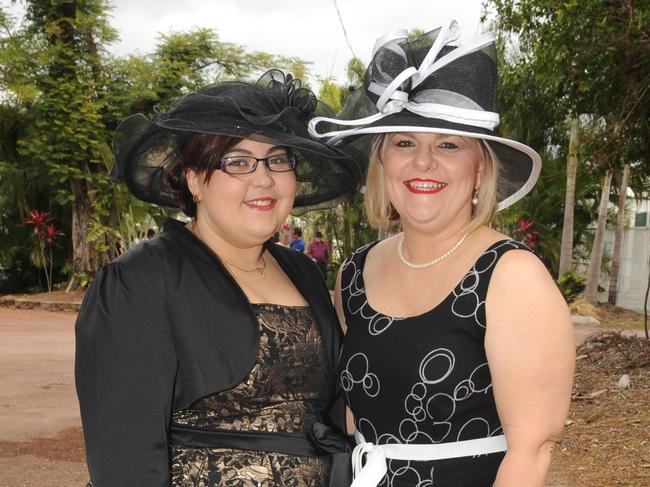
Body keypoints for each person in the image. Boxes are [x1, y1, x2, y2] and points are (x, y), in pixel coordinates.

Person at [310, 22, 575, 486]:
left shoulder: (511, 276)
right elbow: (356, 422)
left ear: (479, 170)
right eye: (404, 143)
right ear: (383, 164)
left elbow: (531, 453)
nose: (423, 162)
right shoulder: (353, 274)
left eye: (448, 145)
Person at [75, 70, 362, 487]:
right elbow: (124, 458)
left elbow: (333, 414)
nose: (263, 179)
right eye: (238, 162)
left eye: (278, 159)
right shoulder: (139, 280)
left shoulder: (305, 274)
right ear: (194, 180)